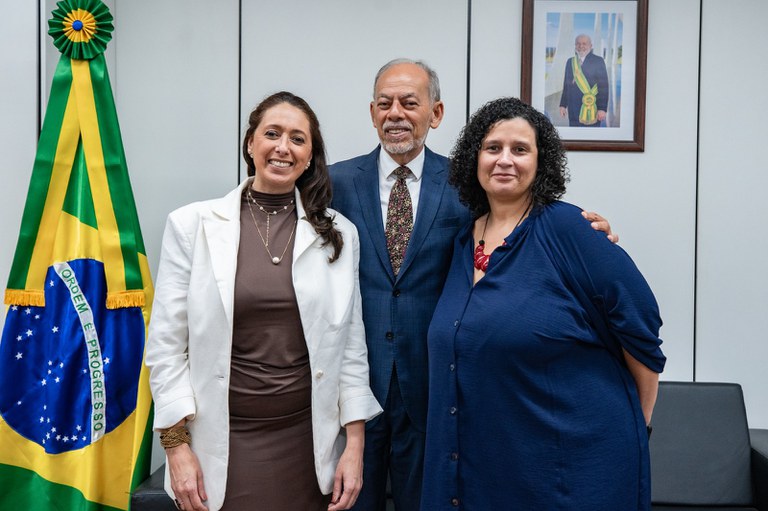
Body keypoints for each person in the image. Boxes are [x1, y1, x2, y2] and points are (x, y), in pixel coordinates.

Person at [330, 59, 617, 510]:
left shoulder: (469, 186)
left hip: (436, 389)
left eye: (410, 102)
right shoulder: (335, 183)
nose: (396, 113)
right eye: (385, 104)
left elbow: (523, 214)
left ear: (436, 113)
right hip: (351, 394)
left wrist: (591, 231)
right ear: (372, 113)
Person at [422, 97, 665, 510]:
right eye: (493, 147)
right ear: (474, 158)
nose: (505, 160)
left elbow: (640, 323)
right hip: (487, 461)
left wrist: (636, 419)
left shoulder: (569, 229)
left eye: (520, 149)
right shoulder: (464, 240)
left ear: (540, 162)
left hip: (568, 466)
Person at [146, 91, 382, 511]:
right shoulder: (192, 226)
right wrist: (176, 448)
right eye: (272, 134)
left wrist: (355, 445)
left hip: (309, 443)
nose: (282, 147)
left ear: (310, 156)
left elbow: (351, 348)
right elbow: (165, 348)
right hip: (223, 443)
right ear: (250, 144)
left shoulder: (339, 234)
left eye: (297, 139)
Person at [559, 34, 609, 127]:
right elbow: (566, 86)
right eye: (578, 44)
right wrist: (563, 105)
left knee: (592, 137)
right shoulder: (570, 62)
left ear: (591, 45)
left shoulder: (598, 61)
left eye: (584, 44)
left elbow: (603, 87)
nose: (581, 46)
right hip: (573, 108)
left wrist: (602, 109)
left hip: (592, 108)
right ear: (575, 46)